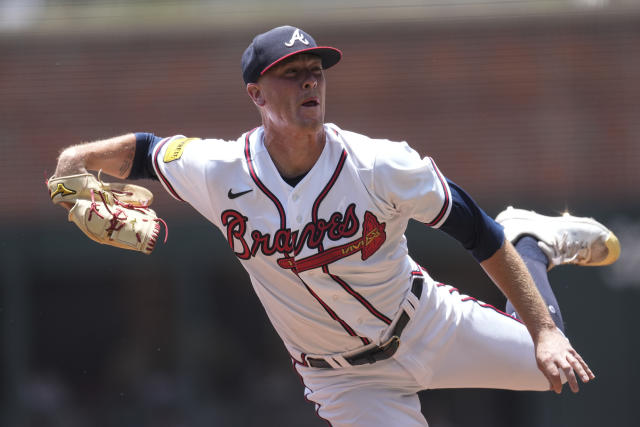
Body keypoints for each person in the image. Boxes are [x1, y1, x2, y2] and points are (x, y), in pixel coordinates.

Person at [52, 26, 620, 426]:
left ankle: (531, 238)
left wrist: (542, 332)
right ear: (256, 94)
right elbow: (145, 151)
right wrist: (71, 165)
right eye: (291, 74)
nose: (309, 83)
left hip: (426, 324)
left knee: (556, 364)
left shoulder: (382, 164)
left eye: (315, 72)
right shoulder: (218, 169)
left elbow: (477, 233)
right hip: (346, 383)